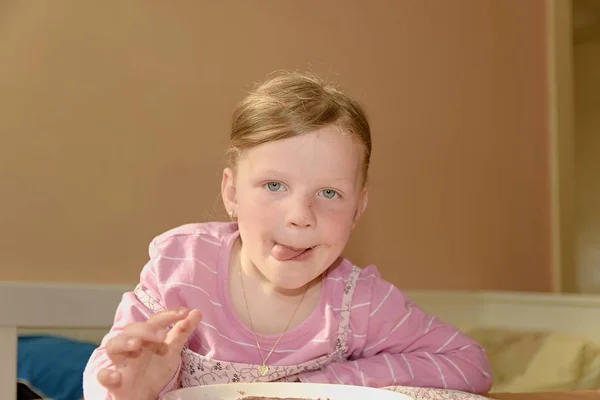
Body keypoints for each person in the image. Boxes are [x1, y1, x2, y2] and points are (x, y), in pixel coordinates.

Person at [82, 71, 493, 400]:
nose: (300, 217)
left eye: (329, 193)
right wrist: (134, 391)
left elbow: (469, 363)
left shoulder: (360, 302)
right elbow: (110, 370)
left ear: (358, 210)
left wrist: (324, 384)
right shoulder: (181, 269)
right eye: (274, 186)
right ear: (231, 193)